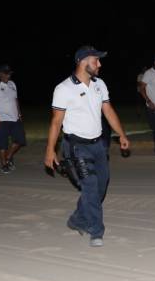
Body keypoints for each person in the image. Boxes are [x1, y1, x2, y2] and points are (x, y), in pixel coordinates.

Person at [44, 45, 131, 248]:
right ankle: (96, 230)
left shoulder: (99, 84)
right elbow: (56, 122)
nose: (99, 64)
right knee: (90, 186)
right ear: (83, 62)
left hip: (98, 144)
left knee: (101, 186)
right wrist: (50, 149)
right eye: (96, 60)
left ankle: (77, 219)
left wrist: (122, 134)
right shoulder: (63, 89)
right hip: (76, 147)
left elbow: (108, 111)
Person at [0, 64, 26, 174]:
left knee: (20, 140)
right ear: (0, 74)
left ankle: (8, 157)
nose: (8, 75)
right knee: (2, 144)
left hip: (15, 118)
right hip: (1, 119)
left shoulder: (12, 84)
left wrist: (19, 114)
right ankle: (4, 165)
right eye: (5, 73)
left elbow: (16, 100)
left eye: (9, 73)